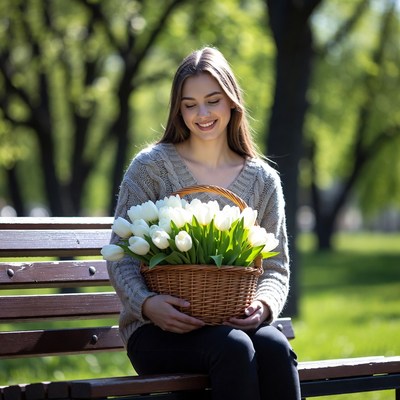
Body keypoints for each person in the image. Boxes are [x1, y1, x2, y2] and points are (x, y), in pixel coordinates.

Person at [107, 46, 301, 400]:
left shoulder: (262, 180)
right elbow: (121, 256)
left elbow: (275, 266)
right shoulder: (151, 168)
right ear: (178, 109)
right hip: (158, 331)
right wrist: (148, 304)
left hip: (233, 324)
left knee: (273, 344)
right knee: (234, 348)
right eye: (190, 104)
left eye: (213, 100)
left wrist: (264, 306)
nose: (203, 113)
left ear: (231, 101)